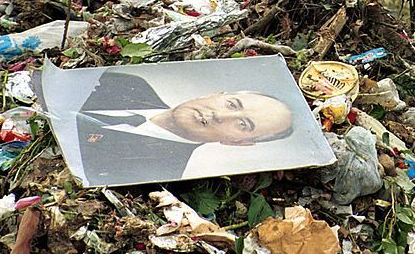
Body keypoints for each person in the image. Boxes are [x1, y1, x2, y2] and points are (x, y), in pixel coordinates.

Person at [75, 70, 294, 186]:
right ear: (214, 95)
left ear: (237, 142)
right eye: (232, 104)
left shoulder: (157, 173)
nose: (220, 115)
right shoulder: (130, 83)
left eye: (242, 124)